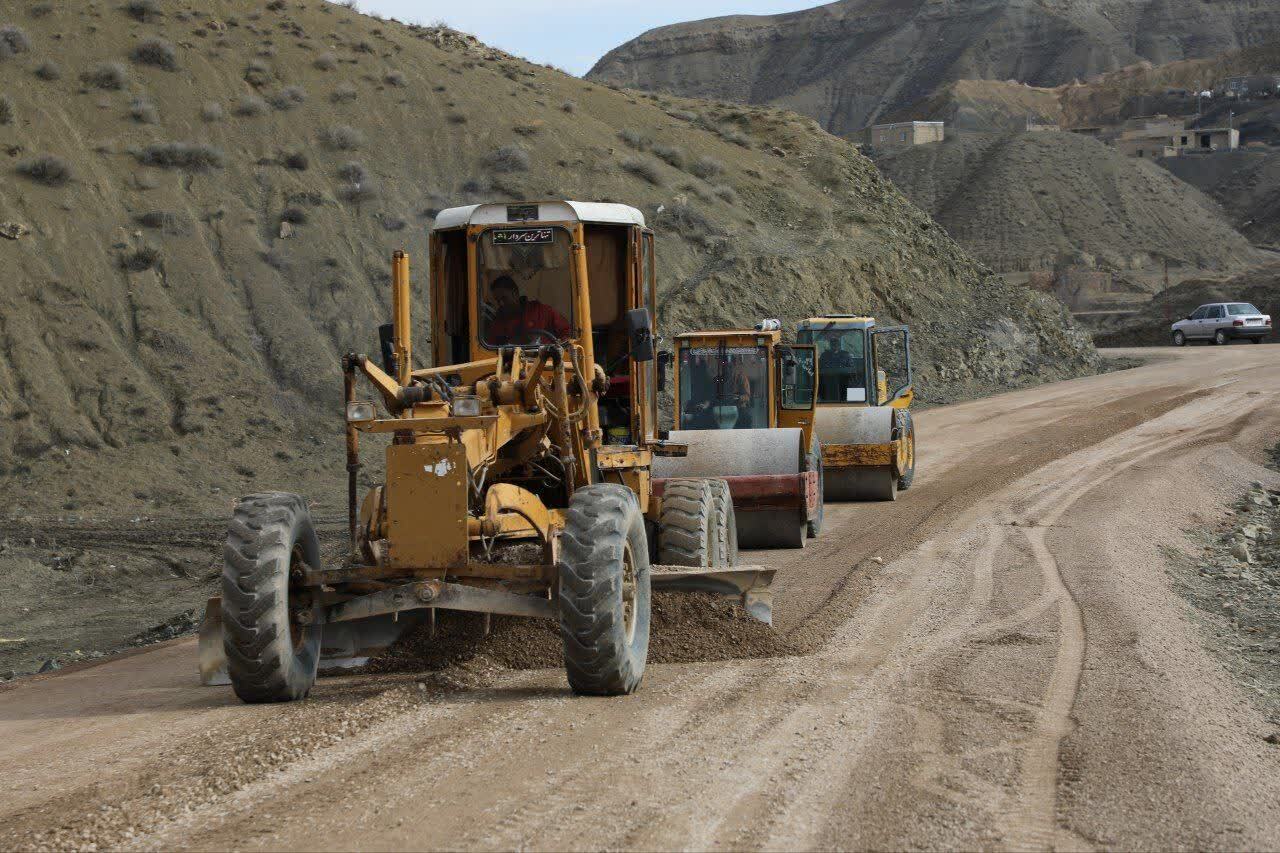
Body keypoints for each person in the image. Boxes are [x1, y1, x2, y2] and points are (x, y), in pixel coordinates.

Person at [485, 275, 571, 345]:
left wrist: (555, 348)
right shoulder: (498, 323)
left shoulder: (541, 311)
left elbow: (567, 333)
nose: (501, 304)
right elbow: (491, 348)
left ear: (515, 293)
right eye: (498, 300)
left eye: (504, 298)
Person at [819, 334, 863, 401]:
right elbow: (820, 368)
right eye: (833, 344)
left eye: (836, 344)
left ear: (839, 345)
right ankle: (822, 399)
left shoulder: (846, 355)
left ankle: (851, 401)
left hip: (844, 380)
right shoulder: (824, 355)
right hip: (827, 381)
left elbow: (852, 368)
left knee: (854, 388)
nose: (834, 346)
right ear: (830, 345)